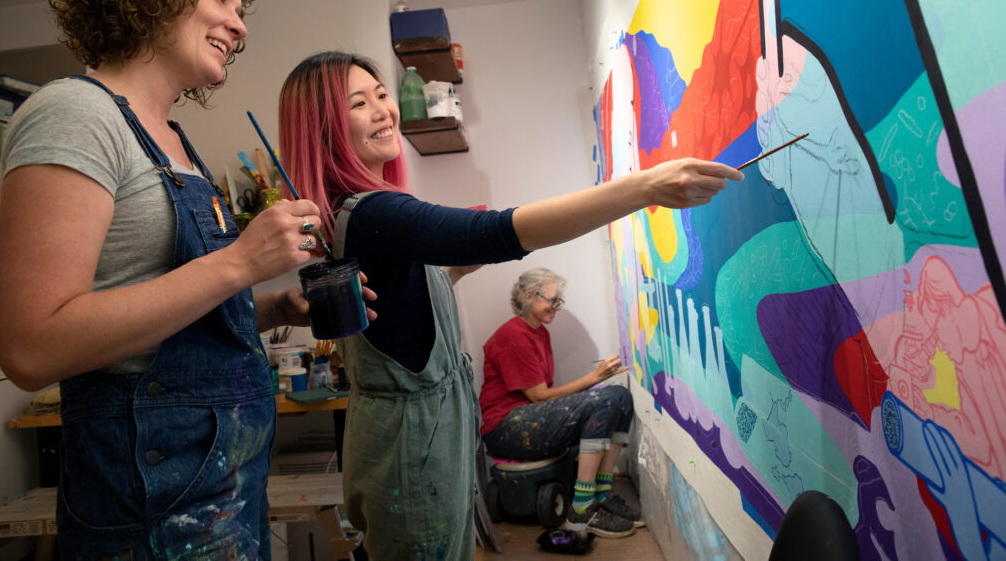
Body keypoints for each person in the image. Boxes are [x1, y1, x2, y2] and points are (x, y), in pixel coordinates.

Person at [0, 0, 361, 559]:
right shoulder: (75, 113)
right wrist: (239, 264)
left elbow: (160, 306)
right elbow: (30, 346)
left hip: (225, 491)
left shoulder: (175, 142)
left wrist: (269, 306)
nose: (240, 27)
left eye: (240, 10)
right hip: (149, 507)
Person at [278, 51, 744, 560]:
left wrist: (455, 268)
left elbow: (401, 305)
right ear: (323, 129)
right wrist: (644, 186)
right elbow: (497, 231)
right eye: (358, 103)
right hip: (410, 447)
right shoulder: (375, 213)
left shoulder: (359, 214)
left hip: (417, 438)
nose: (383, 110)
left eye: (382, 94)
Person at [479, 268, 641, 538]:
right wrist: (593, 378)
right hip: (505, 427)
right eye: (553, 300)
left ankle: (601, 495)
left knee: (621, 397)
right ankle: (582, 509)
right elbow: (540, 396)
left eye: (559, 301)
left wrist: (597, 384)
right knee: (605, 400)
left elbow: (544, 398)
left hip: (527, 417)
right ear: (529, 296)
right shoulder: (513, 335)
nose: (557, 307)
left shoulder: (540, 333)